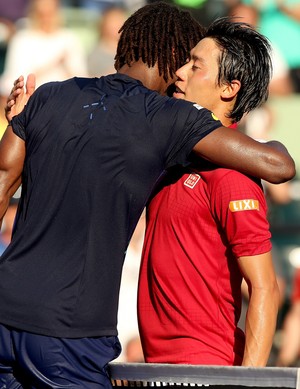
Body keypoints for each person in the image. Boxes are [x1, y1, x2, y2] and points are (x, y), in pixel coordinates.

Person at [0, 2, 295, 388]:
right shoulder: (165, 120)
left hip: (8, 315)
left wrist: (19, 120)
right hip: (71, 336)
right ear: (171, 57)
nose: (180, 76)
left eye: (195, 65)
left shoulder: (48, 97)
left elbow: (4, 177)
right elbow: (277, 165)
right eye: (184, 61)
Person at [138, 17, 281, 367]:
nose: (179, 73)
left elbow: (264, 288)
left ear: (229, 89)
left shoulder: (233, 175)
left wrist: (248, 381)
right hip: (157, 365)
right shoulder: (173, 156)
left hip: (204, 367)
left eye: (195, 66)